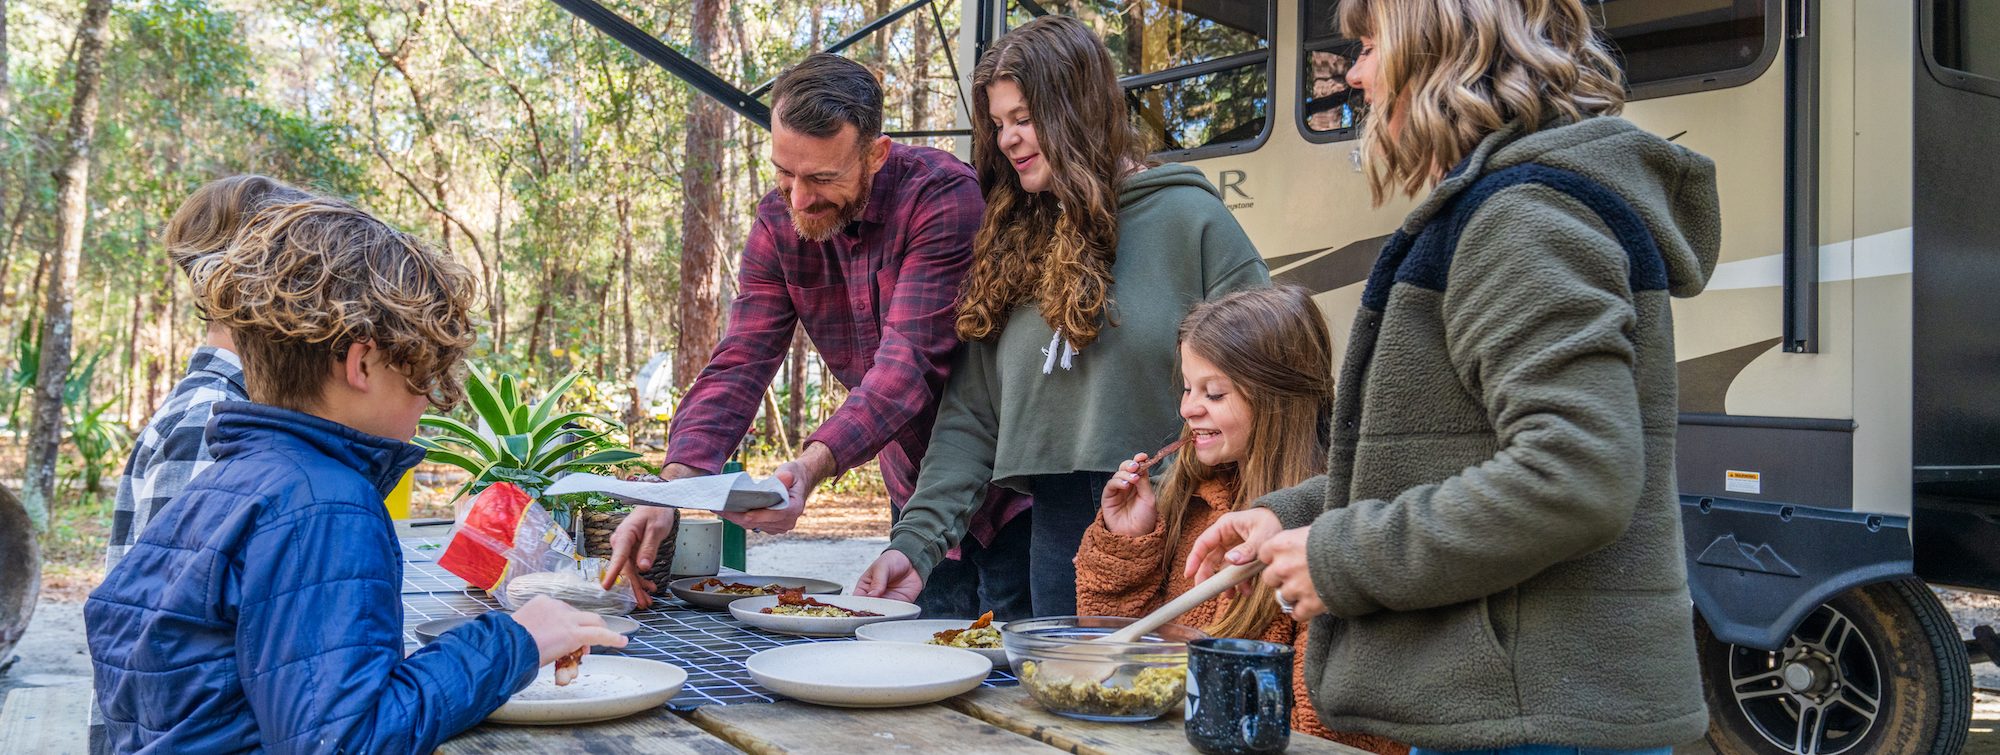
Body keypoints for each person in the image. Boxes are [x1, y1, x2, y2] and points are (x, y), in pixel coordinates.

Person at [1185, 0, 1720, 752]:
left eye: (1369, 46)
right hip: (1522, 704)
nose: (1358, 74)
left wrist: (1339, 557)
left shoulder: (1521, 217)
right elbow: (1459, 455)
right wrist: (1299, 512)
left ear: (1437, 51)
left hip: (1535, 722)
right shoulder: (1519, 203)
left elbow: (1576, 473)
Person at [84, 199, 625, 753]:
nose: (425, 406)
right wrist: (517, 641)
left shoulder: (228, 484)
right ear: (361, 363)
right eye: (423, 377)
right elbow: (345, 741)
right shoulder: (326, 503)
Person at [856, 15, 1270, 616]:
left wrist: (1202, 499)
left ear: (1079, 111)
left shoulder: (1190, 220)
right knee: (1056, 706)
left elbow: (1276, 389)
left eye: (1024, 120)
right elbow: (971, 417)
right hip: (1055, 541)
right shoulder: (1011, 240)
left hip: (1183, 537)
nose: (1007, 140)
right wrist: (914, 546)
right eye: (998, 125)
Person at [600, 53, 1033, 619]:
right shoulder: (778, 223)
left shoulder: (942, 197)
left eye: (822, 178)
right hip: (916, 496)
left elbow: (909, 366)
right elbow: (741, 361)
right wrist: (672, 491)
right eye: (785, 171)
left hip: (1014, 488)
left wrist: (808, 469)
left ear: (876, 154)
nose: (798, 198)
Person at [1080, 285, 1405, 754]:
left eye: (1214, 393)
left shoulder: (1331, 533)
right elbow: (1121, 661)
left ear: (1278, 401)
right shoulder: (1184, 499)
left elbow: (1330, 727)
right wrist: (1127, 545)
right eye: (1188, 388)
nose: (1188, 407)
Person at [104, 175, 311, 573]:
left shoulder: (237, 407)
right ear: (250, 281)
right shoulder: (210, 423)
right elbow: (168, 614)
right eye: (303, 273)